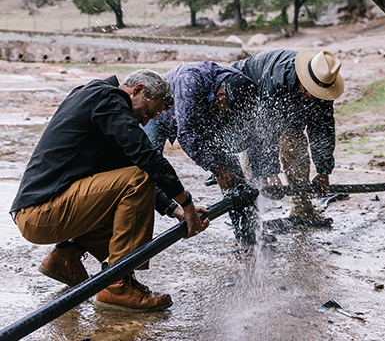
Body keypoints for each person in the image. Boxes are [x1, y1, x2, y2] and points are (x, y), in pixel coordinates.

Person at [9, 69, 209, 312]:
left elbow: (130, 165)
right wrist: (187, 205)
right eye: (147, 113)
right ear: (138, 90)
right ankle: (117, 284)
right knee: (137, 180)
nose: (145, 122)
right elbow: (146, 160)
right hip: (41, 212)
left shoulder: (95, 98)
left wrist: (174, 209)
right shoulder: (108, 99)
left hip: (40, 211)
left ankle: (65, 257)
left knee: (131, 188)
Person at [142, 60, 260, 244]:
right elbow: (187, 135)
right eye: (227, 108)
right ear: (221, 93)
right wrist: (217, 169)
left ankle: (247, 235)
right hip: (159, 116)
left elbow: (250, 133)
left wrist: (253, 170)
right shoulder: (191, 79)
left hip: (202, 115)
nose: (228, 113)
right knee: (146, 170)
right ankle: (141, 236)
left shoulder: (240, 85)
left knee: (235, 177)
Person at [232, 49, 344, 224]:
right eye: (308, 90)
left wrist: (323, 171)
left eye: (316, 94)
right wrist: (270, 172)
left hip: (287, 107)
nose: (311, 96)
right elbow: (264, 131)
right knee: (253, 168)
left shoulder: (323, 89)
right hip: (250, 95)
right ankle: (248, 218)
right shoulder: (276, 80)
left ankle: (303, 210)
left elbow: (322, 130)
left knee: (296, 148)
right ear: (303, 78)